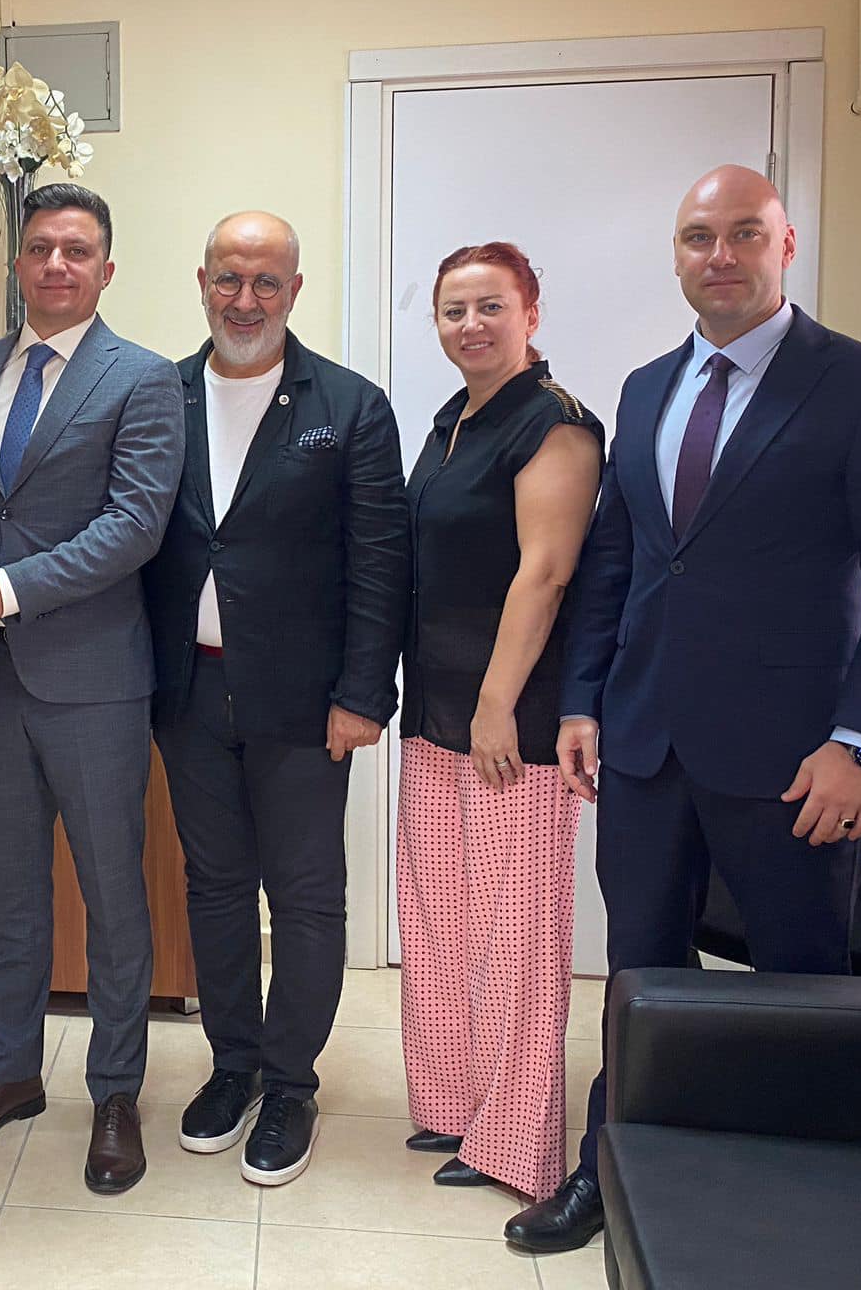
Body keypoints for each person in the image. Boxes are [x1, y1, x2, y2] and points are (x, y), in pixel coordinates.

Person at [507, 166, 861, 1252]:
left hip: (796, 761)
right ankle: (610, 1165)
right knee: (640, 975)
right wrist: (581, 701)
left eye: (743, 233)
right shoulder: (647, 388)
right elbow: (619, 562)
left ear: (783, 246)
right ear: (676, 254)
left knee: (798, 991)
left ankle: (794, 1202)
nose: (719, 255)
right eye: (698, 236)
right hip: (645, 746)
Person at [0, 183, 184, 1196]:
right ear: (18, 264)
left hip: (94, 677)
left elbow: (135, 526)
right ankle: (10, 1072)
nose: (56, 265)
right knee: (12, 888)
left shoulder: (143, 378)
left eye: (76, 250)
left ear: (106, 270)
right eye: (39, 248)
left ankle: (114, 1092)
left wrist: (11, 589)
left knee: (113, 895)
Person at [142, 212, 407, 1186]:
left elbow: (380, 561)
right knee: (213, 887)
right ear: (201, 282)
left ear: (294, 291)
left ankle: (291, 1083)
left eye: (265, 282)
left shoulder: (350, 405)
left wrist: (362, 694)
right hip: (188, 689)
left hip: (305, 700)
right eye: (228, 279)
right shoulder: (159, 396)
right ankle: (233, 1066)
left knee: (302, 895)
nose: (244, 300)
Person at [394, 242, 602, 1205]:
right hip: (435, 710)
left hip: (510, 723)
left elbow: (545, 573)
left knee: (516, 934)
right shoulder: (454, 420)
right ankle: (454, 1102)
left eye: (491, 306)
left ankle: (517, 1143)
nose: (470, 325)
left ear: (531, 313)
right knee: (439, 918)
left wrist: (494, 706)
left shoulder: (554, 424)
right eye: (453, 310)